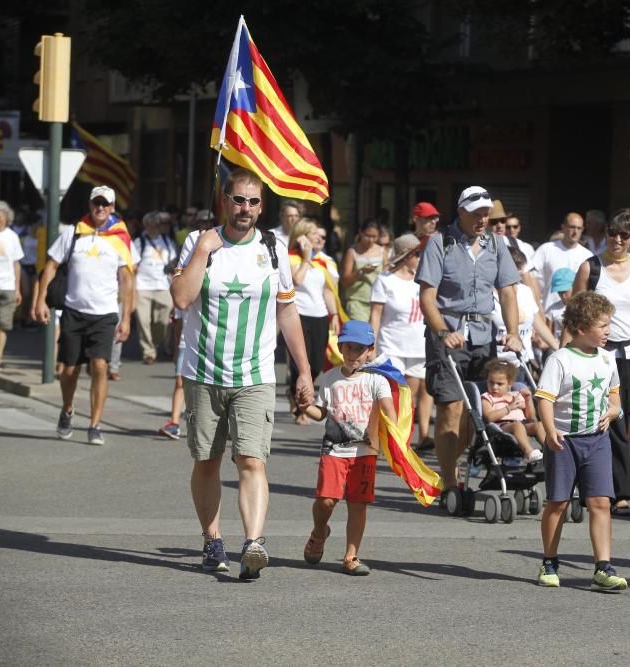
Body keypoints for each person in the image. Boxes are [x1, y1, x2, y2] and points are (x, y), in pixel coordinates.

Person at [170, 167, 314, 580]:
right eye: (238, 199)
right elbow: (181, 299)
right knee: (208, 461)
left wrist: (304, 371)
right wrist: (201, 251)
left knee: (252, 459)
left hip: (255, 374)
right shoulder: (200, 244)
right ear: (224, 200)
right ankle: (213, 538)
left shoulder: (273, 247)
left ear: (261, 206)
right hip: (204, 371)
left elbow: (287, 311)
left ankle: (253, 543)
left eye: (253, 201)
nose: (245, 208)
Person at [416, 185, 523, 489]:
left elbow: (507, 292)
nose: (483, 219)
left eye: (486, 214)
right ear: (461, 211)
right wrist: (443, 332)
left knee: (478, 410)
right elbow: (427, 297)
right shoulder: (440, 243)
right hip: (448, 334)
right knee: (450, 407)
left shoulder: (496, 244)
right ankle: (449, 483)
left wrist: (513, 333)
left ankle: (459, 466)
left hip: (483, 336)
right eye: (477, 214)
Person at [534, 291, 626, 592]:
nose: (608, 331)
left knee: (600, 502)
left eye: (609, 324)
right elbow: (545, 400)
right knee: (558, 502)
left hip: (597, 440)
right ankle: (549, 561)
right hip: (565, 441)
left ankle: (603, 566)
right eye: (602, 326)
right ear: (582, 328)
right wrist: (549, 431)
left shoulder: (606, 358)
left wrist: (613, 412)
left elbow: (614, 395)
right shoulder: (560, 360)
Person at [571, 210, 630, 515]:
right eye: (613, 233)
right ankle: (607, 491)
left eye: (625, 234)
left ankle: (613, 491)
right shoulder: (591, 267)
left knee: (622, 420)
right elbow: (574, 316)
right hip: (599, 356)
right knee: (608, 420)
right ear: (605, 234)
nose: (618, 240)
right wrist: (565, 357)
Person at [34, 186, 135, 446]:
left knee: (100, 365)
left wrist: (126, 318)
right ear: (90, 205)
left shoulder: (120, 236)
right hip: (73, 312)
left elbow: (127, 279)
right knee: (69, 370)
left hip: (104, 314)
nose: (100, 208)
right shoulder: (74, 232)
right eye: (96, 203)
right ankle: (67, 409)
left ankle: (95, 424)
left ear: (112, 207)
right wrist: (40, 301)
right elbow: (51, 266)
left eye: (105, 204)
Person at [301, 321, 395, 576]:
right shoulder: (331, 378)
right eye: (348, 348)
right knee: (326, 501)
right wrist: (304, 405)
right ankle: (319, 532)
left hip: (365, 453)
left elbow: (389, 410)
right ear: (340, 347)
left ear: (370, 351)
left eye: (359, 349)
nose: (353, 354)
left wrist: (394, 434)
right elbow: (320, 413)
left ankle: (351, 556)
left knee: (358, 504)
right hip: (334, 450)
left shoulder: (377, 380)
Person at [369, 233, 434, 450]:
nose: (421, 257)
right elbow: (375, 315)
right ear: (405, 256)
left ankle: (408, 438)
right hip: (391, 346)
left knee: (412, 395)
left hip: (418, 346)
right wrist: (372, 345)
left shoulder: (424, 281)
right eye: (417, 253)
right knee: (394, 394)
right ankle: (382, 438)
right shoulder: (385, 281)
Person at [159, 211, 217, 441]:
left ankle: (213, 424)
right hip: (186, 337)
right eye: (201, 223)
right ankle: (174, 421)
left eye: (209, 223)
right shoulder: (192, 243)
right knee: (181, 380)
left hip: (209, 336)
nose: (205, 226)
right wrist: (175, 344)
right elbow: (180, 305)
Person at [288, 219, 339, 425]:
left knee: (317, 364)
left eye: (321, 236)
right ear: (302, 237)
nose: (319, 238)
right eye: (314, 235)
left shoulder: (324, 262)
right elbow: (297, 280)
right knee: (302, 363)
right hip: (298, 315)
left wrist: (334, 315)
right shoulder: (291, 257)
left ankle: (295, 392)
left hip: (319, 316)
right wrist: (306, 258)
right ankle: (302, 408)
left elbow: (328, 290)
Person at [491, 246, 559, 368]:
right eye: (515, 269)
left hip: (522, 361)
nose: (520, 273)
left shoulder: (526, 291)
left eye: (520, 268)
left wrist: (558, 348)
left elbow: (538, 323)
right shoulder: (487, 295)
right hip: (496, 363)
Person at [133, 210, 178, 364]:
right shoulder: (139, 242)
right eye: (155, 224)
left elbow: (173, 262)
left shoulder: (167, 242)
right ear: (147, 225)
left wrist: (172, 272)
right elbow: (133, 265)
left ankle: (155, 343)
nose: (159, 226)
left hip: (163, 286)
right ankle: (149, 352)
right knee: (143, 321)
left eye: (160, 224)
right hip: (142, 287)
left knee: (163, 322)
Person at [481, 360, 544, 464]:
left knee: (539, 425)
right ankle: (528, 452)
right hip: (501, 427)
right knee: (517, 426)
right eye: (491, 382)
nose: (494, 387)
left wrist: (528, 401)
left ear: (510, 383)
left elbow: (530, 417)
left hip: (523, 424)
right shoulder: (488, 397)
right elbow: (489, 417)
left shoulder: (516, 395)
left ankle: (550, 450)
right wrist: (508, 408)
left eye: (499, 384)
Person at [532, 213, 593, 311]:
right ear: (563, 227)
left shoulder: (588, 256)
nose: (575, 231)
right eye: (572, 227)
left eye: (579, 228)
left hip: (575, 315)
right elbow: (530, 278)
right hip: (547, 312)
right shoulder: (546, 249)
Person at [0, 200, 23, 370]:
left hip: (7, 287)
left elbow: (16, 264)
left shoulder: (12, 237)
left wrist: (17, 288)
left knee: (2, 325)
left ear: (6, 217)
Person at [340, 220, 387, 321]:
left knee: (374, 334)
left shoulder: (382, 251)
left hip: (377, 300)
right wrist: (361, 272)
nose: (370, 240)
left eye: (374, 237)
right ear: (361, 232)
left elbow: (386, 277)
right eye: (367, 236)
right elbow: (344, 281)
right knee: (361, 333)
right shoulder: (352, 252)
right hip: (357, 300)